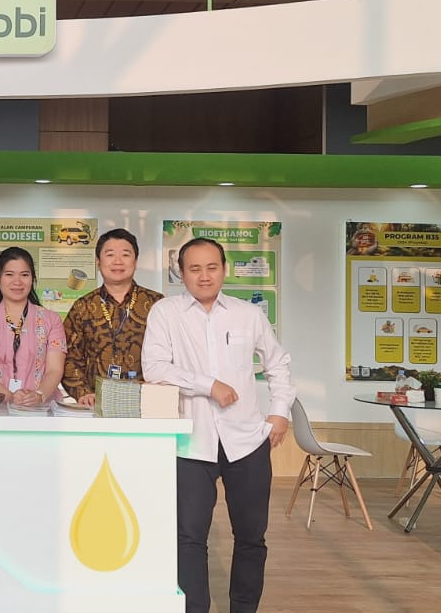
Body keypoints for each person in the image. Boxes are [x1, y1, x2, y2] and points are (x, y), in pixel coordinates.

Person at [142, 238, 296, 613]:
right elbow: (155, 368)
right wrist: (208, 385)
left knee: (251, 537)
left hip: (247, 440)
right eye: (194, 268)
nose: (204, 276)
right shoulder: (165, 312)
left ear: (224, 269)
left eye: (212, 267)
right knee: (189, 537)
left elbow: (277, 363)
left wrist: (279, 412)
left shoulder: (248, 314)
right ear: (181, 273)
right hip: (191, 441)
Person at [62, 228, 164, 406]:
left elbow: (172, 356)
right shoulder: (83, 306)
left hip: (146, 404)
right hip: (96, 404)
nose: (118, 261)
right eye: (110, 255)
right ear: (98, 262)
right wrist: (83, 393)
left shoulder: (157, 304)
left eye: (125, 255)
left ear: (136, 262)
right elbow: (69, 357)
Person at [0, 247, 67, 406]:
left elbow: (54, 370)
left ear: (32, 279)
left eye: (24, 275)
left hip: (42, 409)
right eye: (9, 274)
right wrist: (10, 396)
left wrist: (39, 396)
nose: (17, 282)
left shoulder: (52, 319)